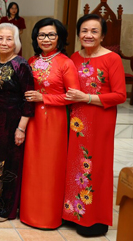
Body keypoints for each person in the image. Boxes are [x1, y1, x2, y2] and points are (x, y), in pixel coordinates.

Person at [62, 14, 126, 237]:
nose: (88, 35)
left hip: (100, 120)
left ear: (102, 35)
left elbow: (120, 95)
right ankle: (73, 213)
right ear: (78, 33)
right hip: (77, 120)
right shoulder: (74, 57)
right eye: (84, 31)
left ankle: (95, 220)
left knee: (95, 167)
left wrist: (87, 98)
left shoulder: (112, 59)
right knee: (75, 166)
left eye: (94, 31)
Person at [20, 18, 80, 228]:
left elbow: (73, 96)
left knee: (50, 166)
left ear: (59, 38)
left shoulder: (66, 62)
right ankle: (28, 212)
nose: (46, 39)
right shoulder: (32, 61)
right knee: (32, 165)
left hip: (54, 121)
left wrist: (43, 98)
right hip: (32, 119)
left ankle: (47, 216)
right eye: (41, 35)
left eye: (51, 35)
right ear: (36, 38)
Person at [0, 23, 34, 222]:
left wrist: (21, 128)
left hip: (12, 122)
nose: (4, 42)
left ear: (16, 42)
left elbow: (28, 99)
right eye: (0, 38)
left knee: (9, 165)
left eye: (9, 39)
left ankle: (6, 209)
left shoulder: (21, 65)